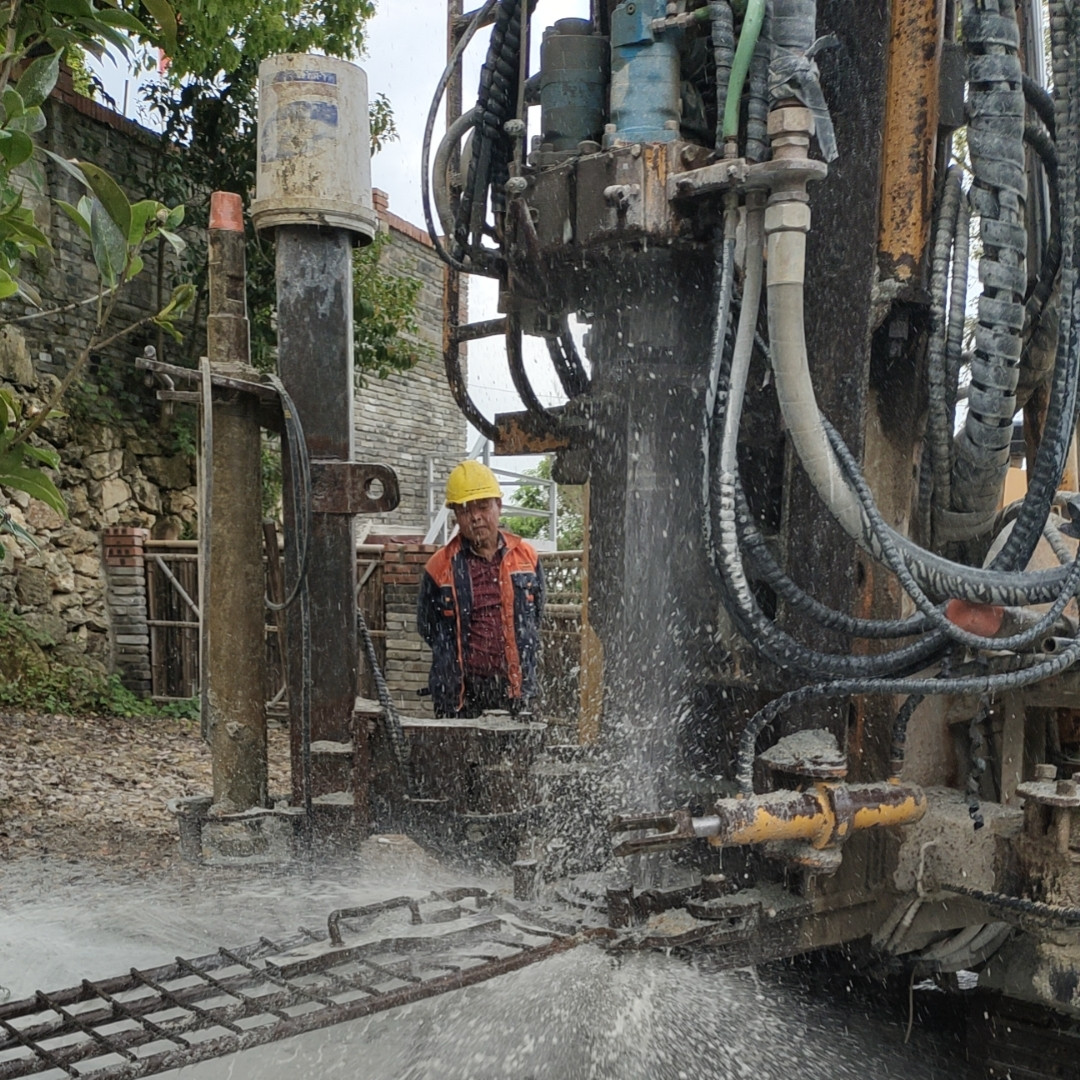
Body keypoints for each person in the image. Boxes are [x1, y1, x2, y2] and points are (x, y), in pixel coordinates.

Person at [417, 460, 545, 718]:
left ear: (499, 505)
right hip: (461, 695)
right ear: (456, 515)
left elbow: (536, 615)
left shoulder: (526, 557)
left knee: (519, 756)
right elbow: (427, 626)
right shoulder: (439, 567)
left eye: (483, 506)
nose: (475, 517)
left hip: (516, 690)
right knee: (458, 758)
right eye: (465, 510)